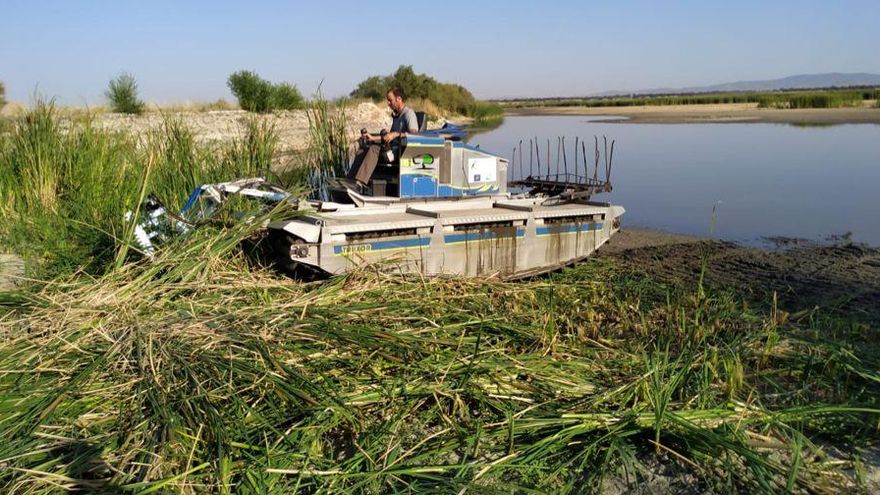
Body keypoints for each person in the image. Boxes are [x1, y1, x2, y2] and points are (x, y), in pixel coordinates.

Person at [347, 87, 419, 188]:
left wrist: (396, 134)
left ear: (399, 99)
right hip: (389, 149)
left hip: (398, 153)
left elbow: (414, 134)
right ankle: (350, 180)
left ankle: (359, 184)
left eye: (390, 100)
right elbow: (387, 138)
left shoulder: (409, 114)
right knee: (364, 148)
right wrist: (372, 138)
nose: (388, 103)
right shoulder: (397, 116)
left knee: (374, 149)